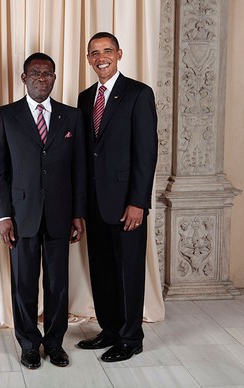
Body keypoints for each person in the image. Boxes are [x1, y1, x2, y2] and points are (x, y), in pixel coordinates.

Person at [0, 52, 87, 369]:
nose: (41, 79)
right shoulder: (5, 117)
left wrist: (78, 213)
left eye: (47, 74)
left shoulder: (71, 117)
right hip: (21, 215)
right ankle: (29, 344)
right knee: (24, 284)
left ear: (55, 78)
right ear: (24, 78)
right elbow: (1, 172)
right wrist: (3, 215)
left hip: (60, 214)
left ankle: (55, 343)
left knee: (58, 284)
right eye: (35, 73)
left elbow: (78, 169)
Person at [76, 32, 158, 362]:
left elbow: (146, 153)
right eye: (94, 53)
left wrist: (139, 202)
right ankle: (109, 330)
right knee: (102, 271)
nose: (101, 57)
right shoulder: (84, 98)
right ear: (88, 59)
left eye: (107, 50)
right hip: (95, 204)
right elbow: (84, 155)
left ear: (119, 54)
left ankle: (130, 337)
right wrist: (79, 207)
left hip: (127, 204)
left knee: (129, 271)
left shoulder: (138, 94)